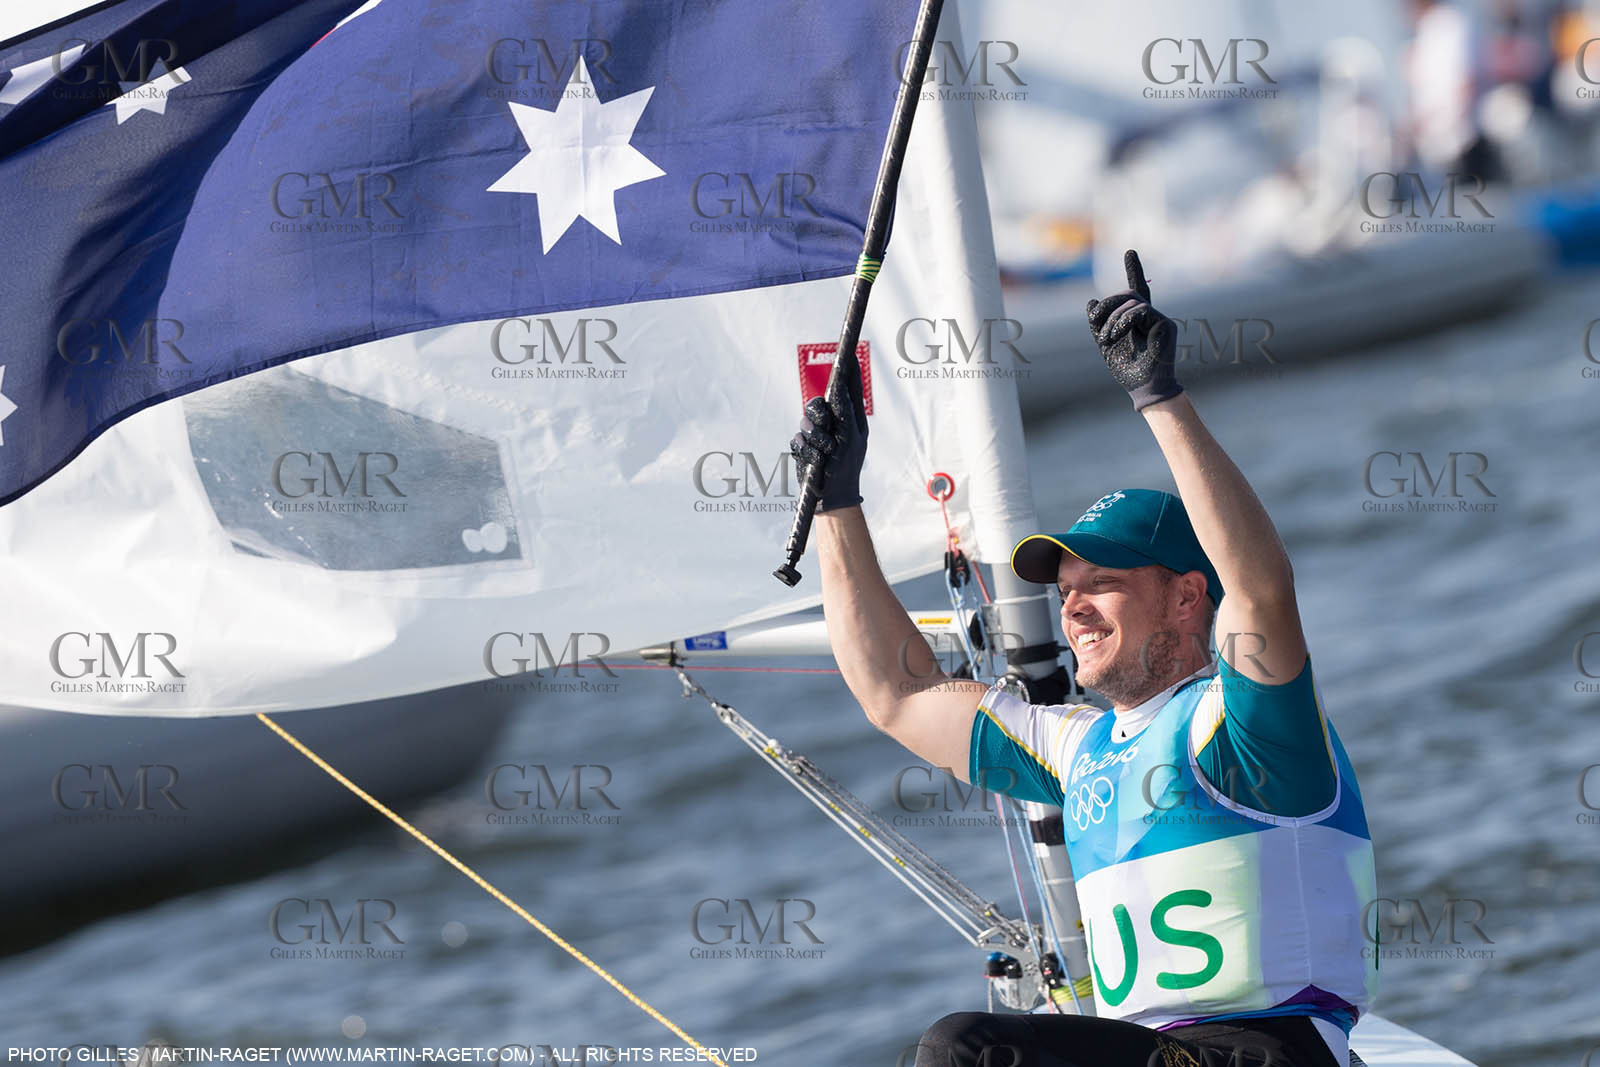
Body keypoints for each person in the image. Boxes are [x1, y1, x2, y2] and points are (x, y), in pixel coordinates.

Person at [791, 251, 1377, 1067]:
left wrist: (1158, 395)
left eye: (1100, 583)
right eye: (1066, 588)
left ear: (1184, 597)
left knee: (969, 1047)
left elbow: (1262, 588)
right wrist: (836, 500)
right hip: (1153, 1055)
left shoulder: (1242, 722)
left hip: (1271, 1049)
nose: (1071, 605)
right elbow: (895, 692)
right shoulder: (1075, 750)